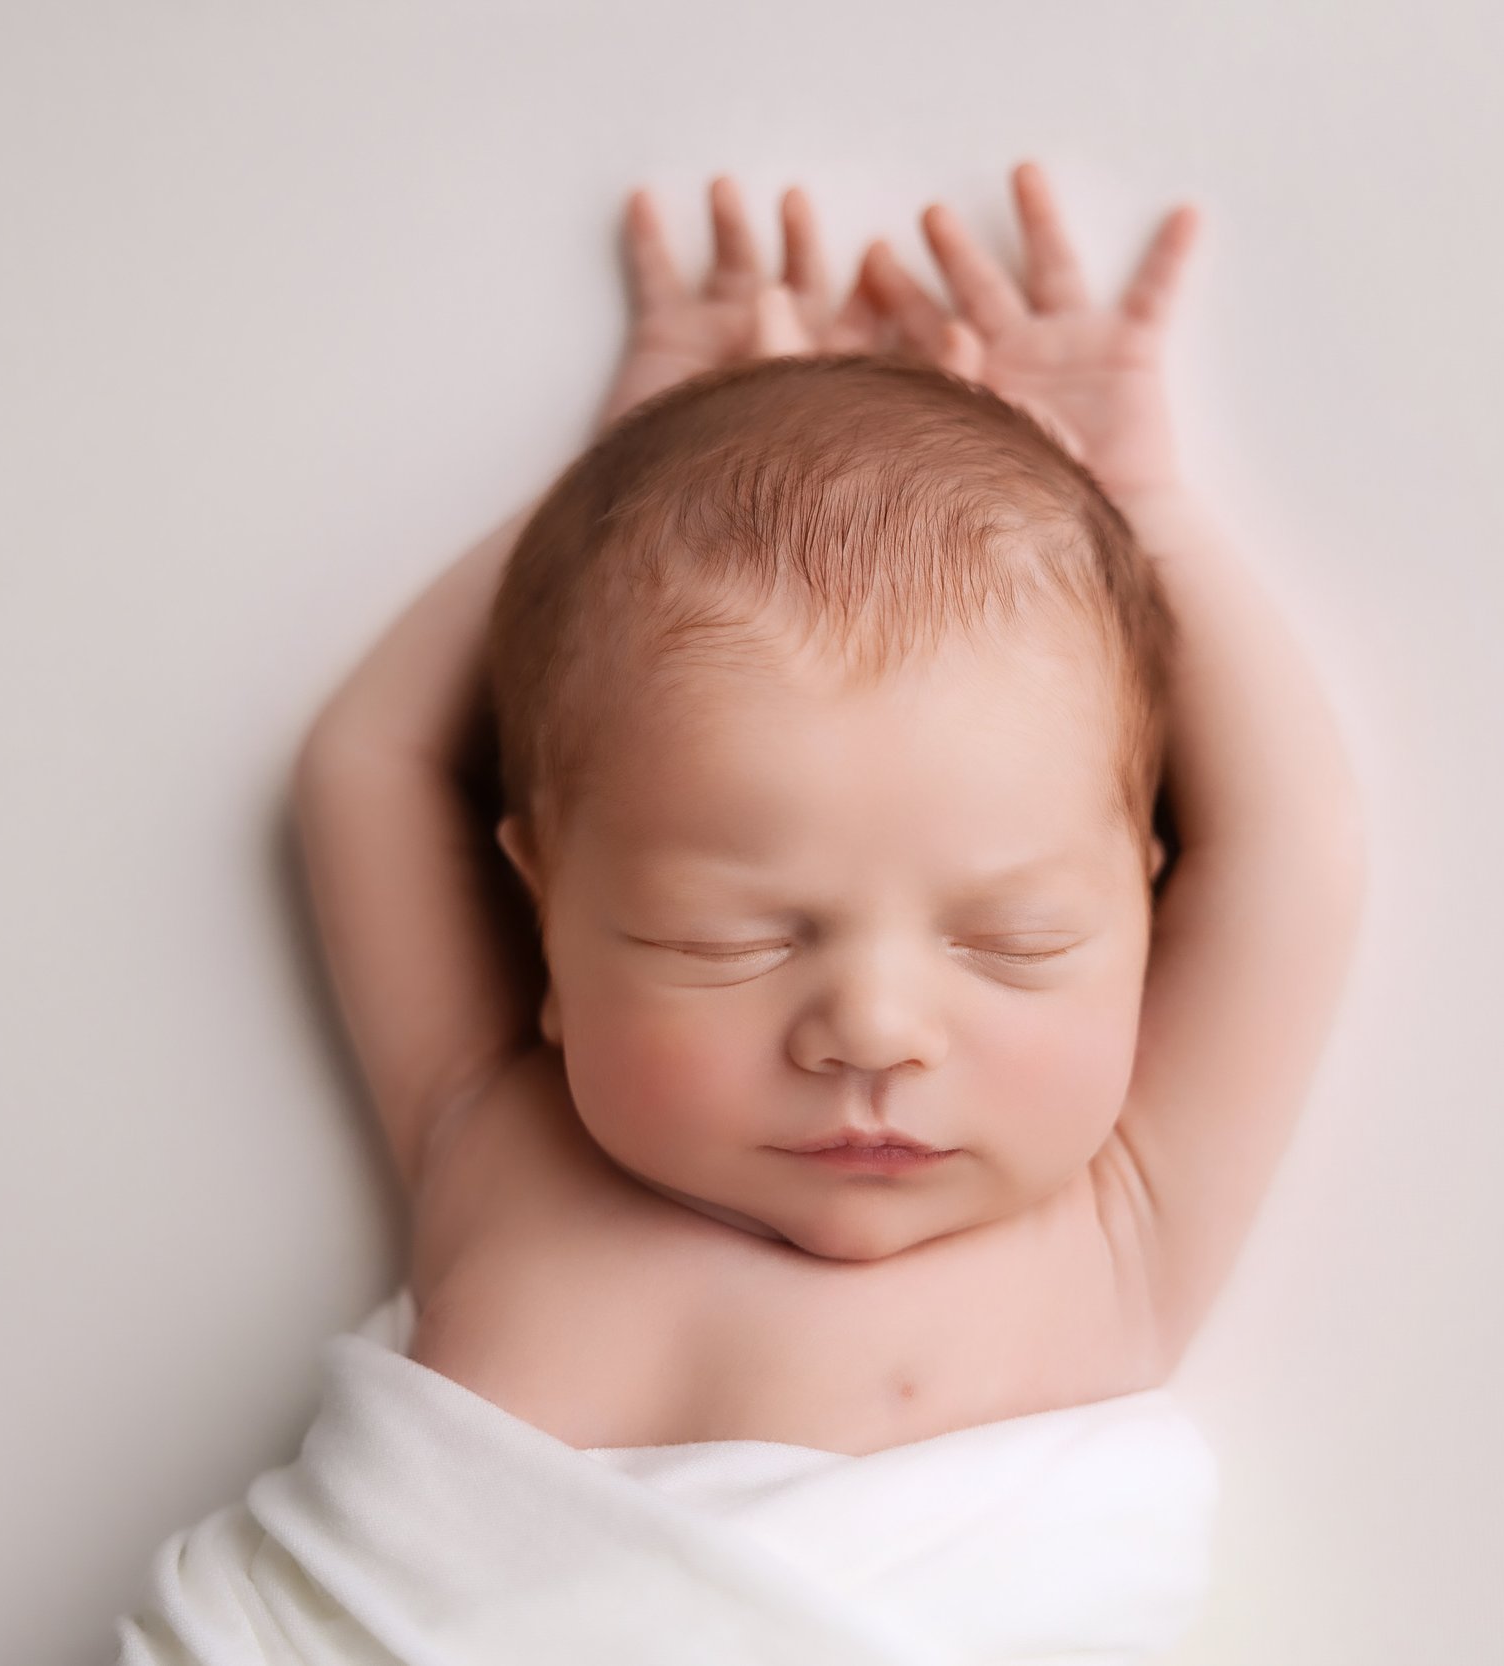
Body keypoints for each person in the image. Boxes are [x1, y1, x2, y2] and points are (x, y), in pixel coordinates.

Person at [291, 160, 1369, 1463]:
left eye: (1014, 939)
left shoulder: (1120, 1228)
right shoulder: (499, 1142)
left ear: (1145, 901)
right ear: (547, 918)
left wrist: (1148, 508)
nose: (871, 1028)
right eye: (723, 937)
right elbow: (372, 764)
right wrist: (622, 480)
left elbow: (1292, 851)